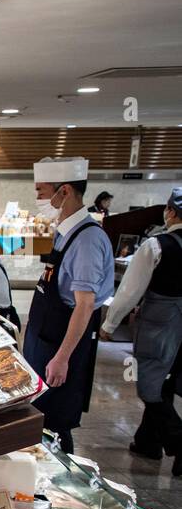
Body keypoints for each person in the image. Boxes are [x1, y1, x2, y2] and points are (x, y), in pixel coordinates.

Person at [21, 156, 116, 455]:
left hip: (60, 347)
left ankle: (65, 487)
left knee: (55, 425)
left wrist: (62, 357)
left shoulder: (87, 239)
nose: (38, 198)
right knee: (40, 420)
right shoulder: (65, 233)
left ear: (64, 191)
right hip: (45, 342)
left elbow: (85, 305)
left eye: (41, 191)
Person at [99, 186, 182, 469]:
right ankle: (148, 442)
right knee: (167, 383)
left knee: (149, 385)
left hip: (160, 321)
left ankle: (178, 441)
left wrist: (110, 322)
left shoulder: (156, 245)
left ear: (170, 211)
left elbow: (130, 289)